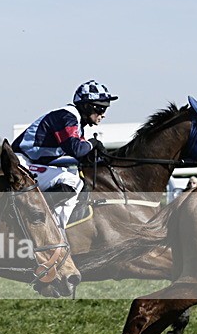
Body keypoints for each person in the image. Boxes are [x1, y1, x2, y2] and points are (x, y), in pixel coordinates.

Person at [11, 80, 118, 228]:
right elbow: (76, 149)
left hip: (31, 162)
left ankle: (55, 226)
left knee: (78, 181)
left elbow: (82, 155)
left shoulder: (77, 123)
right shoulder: (67, 116)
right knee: (72, 182)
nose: (103, 114)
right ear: (86, 106)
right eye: (101, 108)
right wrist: (93, 143)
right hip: (21, 163)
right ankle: (39, 221)